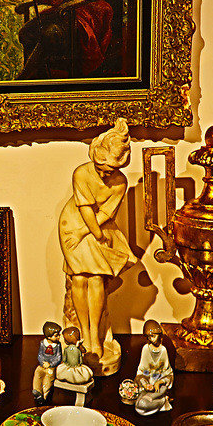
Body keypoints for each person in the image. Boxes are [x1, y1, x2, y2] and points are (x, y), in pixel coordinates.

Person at [58, 118, 136, 371]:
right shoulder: (81, 173)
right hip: (73, 225)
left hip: (96, 229)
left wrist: (91, 233)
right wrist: (85, 232)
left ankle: (96, 336)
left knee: (97, 280)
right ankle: (84, 333)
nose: (105, 174)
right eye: (101, 168)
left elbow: (106, 213)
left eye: (111, 170)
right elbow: (85, 209)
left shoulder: (120, 182)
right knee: (79, 278)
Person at [134, 320, 173, 415]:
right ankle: (163, 401)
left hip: (160, 385)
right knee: (139, 404)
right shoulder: (145, 349)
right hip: (147, 383)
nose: (152, 339)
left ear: (159, 335)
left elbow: (168, 373)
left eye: (153, 336)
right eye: (149, 337)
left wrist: (159, 382)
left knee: (143, 404)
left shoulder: (163, 350)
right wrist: (145, 384)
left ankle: (162, 400)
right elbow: (142, 371)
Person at [32, 321, 62, 405]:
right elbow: (40, 355)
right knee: (38, 372)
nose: (59, 337)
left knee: (49, 376)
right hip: (43, 365)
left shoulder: (58, 345)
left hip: (51, 366)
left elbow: (59, 358)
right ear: (49, 337)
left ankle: (44, 395)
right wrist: (42, 363)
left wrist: (51, 364)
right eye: (56, 335)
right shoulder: (42, 343)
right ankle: (37, 391)